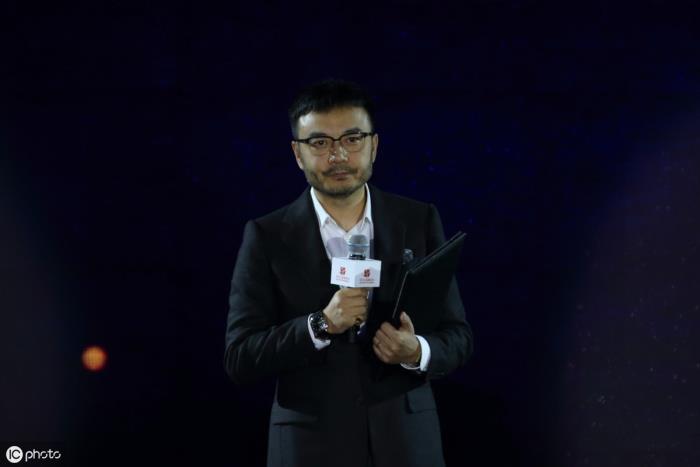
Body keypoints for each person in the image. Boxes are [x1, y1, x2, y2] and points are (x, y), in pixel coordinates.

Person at [224, 79, 473, 467]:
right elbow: (240, 357)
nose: (338, 155)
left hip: (407, 444)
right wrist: (320, 324)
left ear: (374, 145)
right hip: (309, 447)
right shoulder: (266, 236)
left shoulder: (418, 220)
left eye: (352, 139)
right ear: (297, 153)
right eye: (320, 142)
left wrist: (416, 351)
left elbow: (458, 336)